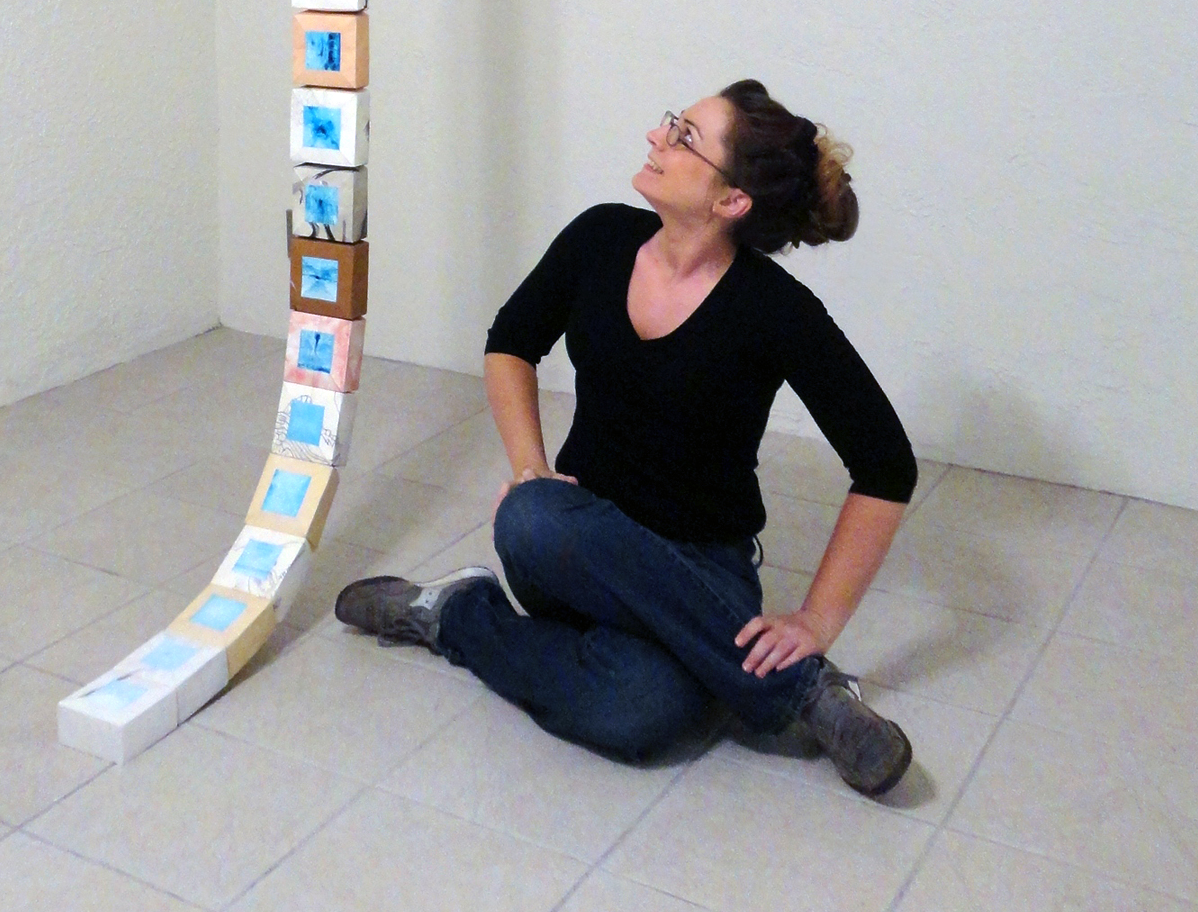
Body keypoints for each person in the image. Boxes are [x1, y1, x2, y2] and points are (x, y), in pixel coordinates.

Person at [335, 79, 919, 797]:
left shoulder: (776, 311)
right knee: (531, 513)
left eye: (684, 136)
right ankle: (805, 696)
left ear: (730, 201)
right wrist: (529, 465)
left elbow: (885, 466)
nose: (656, 137)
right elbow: (510, 342)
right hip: (572, 543)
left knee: (645, 712)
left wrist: (818, 618)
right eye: (672, 123)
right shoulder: (600, 239)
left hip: (700, 568)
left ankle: (452, 616)